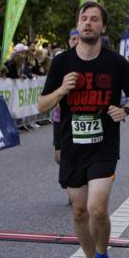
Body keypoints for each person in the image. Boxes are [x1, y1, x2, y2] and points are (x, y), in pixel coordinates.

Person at [39, 1, 129, 258]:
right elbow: (43, 104)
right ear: (78, 24)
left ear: (103, 27)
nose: (88, 23)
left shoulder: (115, 63)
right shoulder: (61, 62)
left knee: (97, 209)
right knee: (79, 212)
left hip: (104, 146)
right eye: (83, 18)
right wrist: (62, 89)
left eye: (94, 19)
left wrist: (125, 110)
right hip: (73, 147)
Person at [52, 31, 80, 168]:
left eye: (78, 38)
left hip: (79, 113)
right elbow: (51, 86)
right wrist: (56, 99)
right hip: (60, 115)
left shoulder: (87, 60)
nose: (75, 41)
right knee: (58, 156)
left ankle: (78, 177)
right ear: (69, 41)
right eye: (73, 39)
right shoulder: (60, 61)